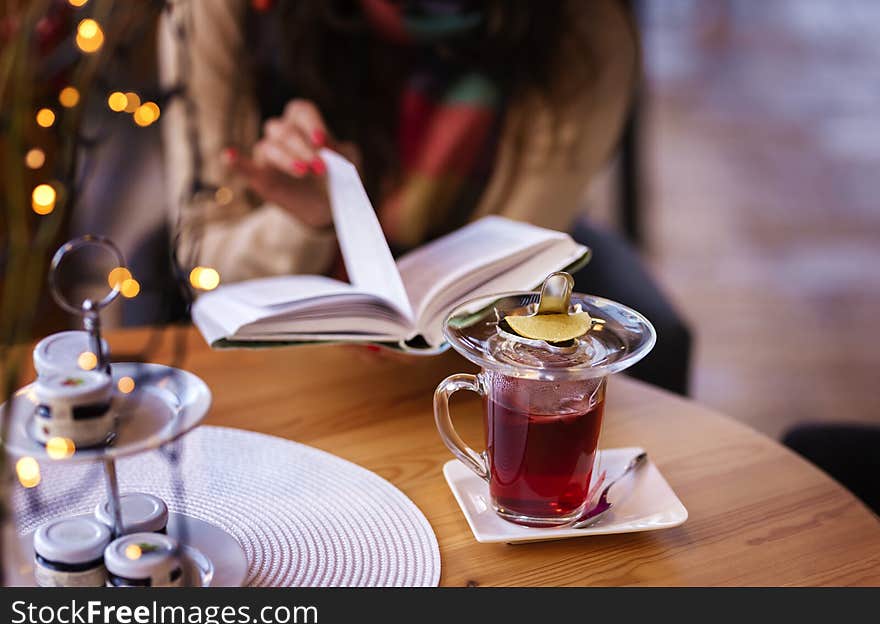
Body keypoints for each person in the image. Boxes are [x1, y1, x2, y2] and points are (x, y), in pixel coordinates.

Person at [159, 0, 691, 393]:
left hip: (469, 310)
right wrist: (308, 220)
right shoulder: (221, 14)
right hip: (285, 293)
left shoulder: (580, 30)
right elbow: (211, 263)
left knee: (654, 339)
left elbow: (503, 280)